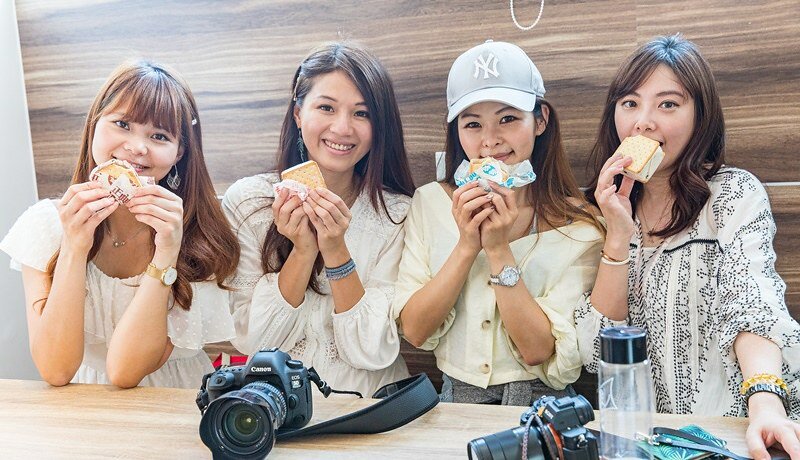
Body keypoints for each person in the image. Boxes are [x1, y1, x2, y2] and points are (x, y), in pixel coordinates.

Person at [576, 35, 800, 459]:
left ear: (701, 117)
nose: (643, 122)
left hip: (737, 435)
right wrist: (618, 234)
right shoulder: (598, 211)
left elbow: (752, 303)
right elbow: (596, 352)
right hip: (651, 444)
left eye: (668, 104)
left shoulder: (732, 195)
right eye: (630, 103)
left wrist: (766, 405)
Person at [0, 60, 240, 389]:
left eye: (159, 136)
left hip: (172, 398)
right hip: (80, 400)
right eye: (122, 124)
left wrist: (167, 253)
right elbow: (55, 370)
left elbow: (126, 372)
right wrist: (75, 246)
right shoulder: (46, 224)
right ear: (94, 124)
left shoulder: (198, 233)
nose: (137, 147)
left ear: (179, 153)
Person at [393, 40, 604, 406]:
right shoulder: (430, 202)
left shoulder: (581, 227)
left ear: (540, 120)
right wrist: (466, 245)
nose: (490, 141)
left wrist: (497, 249)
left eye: (508, 119)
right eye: (473, 124)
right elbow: (414, 330)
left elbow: (538, 350)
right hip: (454, 406)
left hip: (543, 409)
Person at [223, 42, 416, 397]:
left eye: (362, 113)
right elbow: (254, 341)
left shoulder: (399, 213)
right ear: (298, 114)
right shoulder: (248, 201)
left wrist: (336, 250)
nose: (342, 128)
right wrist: (303, 251)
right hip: (278, 405)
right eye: (326, 107)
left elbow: (372, 351)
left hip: (370, 405)